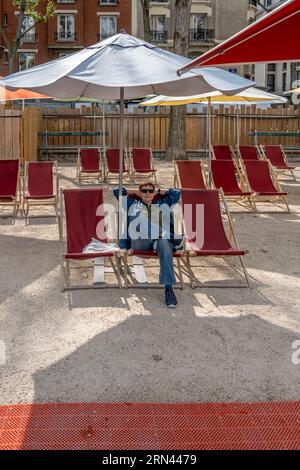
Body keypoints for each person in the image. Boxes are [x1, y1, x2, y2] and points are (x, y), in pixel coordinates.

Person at [113, 182, 182, 308]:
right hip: (140, 242)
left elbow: (177, 193)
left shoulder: (161, 204)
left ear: (154, 193)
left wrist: (161, 191)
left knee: (165, 245)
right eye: (144, 191)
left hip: (158, 243)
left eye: (151, 191)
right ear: (140, 193)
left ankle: (169, 290)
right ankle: (173, 239)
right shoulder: (132, 204)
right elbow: (116, 190)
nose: (148, 193)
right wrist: (133, 191)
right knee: (139, 218)